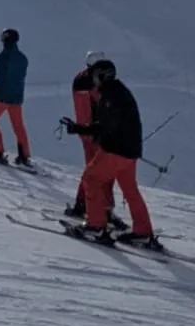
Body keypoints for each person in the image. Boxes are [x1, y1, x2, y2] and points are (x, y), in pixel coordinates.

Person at [64, 56, 157, 249]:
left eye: (94, 75)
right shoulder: (118, 91)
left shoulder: (110, 96)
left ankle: (96, 226)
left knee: (92, 178)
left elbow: (106, 126)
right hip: (130, 152)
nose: (92, 79)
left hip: (117, 150)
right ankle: (143, 232)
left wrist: (80, 129)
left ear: (102, 76)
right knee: (130, 190)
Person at [65, 51, 113, 221]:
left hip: (84, 131)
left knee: (92, 169)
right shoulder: (94, 84)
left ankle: (82, 203)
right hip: (94, 132)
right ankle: (103, 209)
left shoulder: (80, 79)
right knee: (102, 171)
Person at [0, 27, 32, 165]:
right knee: (18, 126)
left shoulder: (4, 55)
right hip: (17, 97)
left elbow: (1, 75)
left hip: (2, 95)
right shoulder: (23, 58)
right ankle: (24, 155)